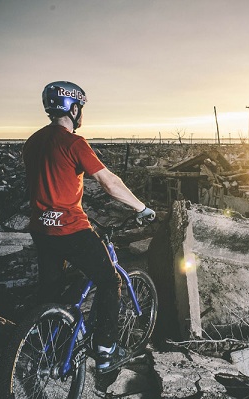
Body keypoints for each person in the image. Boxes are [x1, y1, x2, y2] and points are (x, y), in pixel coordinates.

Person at [23, 81, 155, 374]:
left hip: (41, 229)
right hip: (70, 227)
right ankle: (105, 349)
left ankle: (46, 340)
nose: (81, 114)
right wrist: (141, 207)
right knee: (109, 281)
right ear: (72, 107)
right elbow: (110, 183)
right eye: (80, 108)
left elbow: (49, 181)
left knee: (51, 288)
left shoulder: (32, 142)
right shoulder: (74, 143)